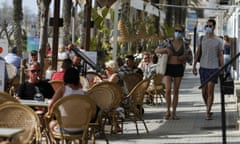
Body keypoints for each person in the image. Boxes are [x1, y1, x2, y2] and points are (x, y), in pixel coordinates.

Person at [192, 19, 224, 120]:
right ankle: (208, 107)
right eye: (207, 26)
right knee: (204, 92)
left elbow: (221, 55)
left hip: (213, 68)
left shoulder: (219, 41)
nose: (208, 28)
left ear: (214, 27)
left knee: (210, 91)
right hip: (203, 68)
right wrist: (194, 66)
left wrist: (222, 68)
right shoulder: (202, 39)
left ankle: (207, 111)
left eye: (210, 26)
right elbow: (198, 53)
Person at [155, 25, 186, 120]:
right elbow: (156, 50)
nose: (177, 33)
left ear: (182, 33)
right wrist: (165, 49)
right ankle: (167, 111)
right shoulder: (168, 42)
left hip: (178, 67)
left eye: (180, 31)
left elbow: (189, 56)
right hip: (168, 67)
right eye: (176, 31)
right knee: (168, 90)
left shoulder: (185, 44)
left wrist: (182, 57)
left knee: (176, 91)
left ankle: (174, 112)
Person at [47, 67, 85, 134]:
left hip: (65, 128)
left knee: (51, 124)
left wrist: (49, 113)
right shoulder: (82, 92)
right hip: (81, 128)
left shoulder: (63, 89)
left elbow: (51, 104)